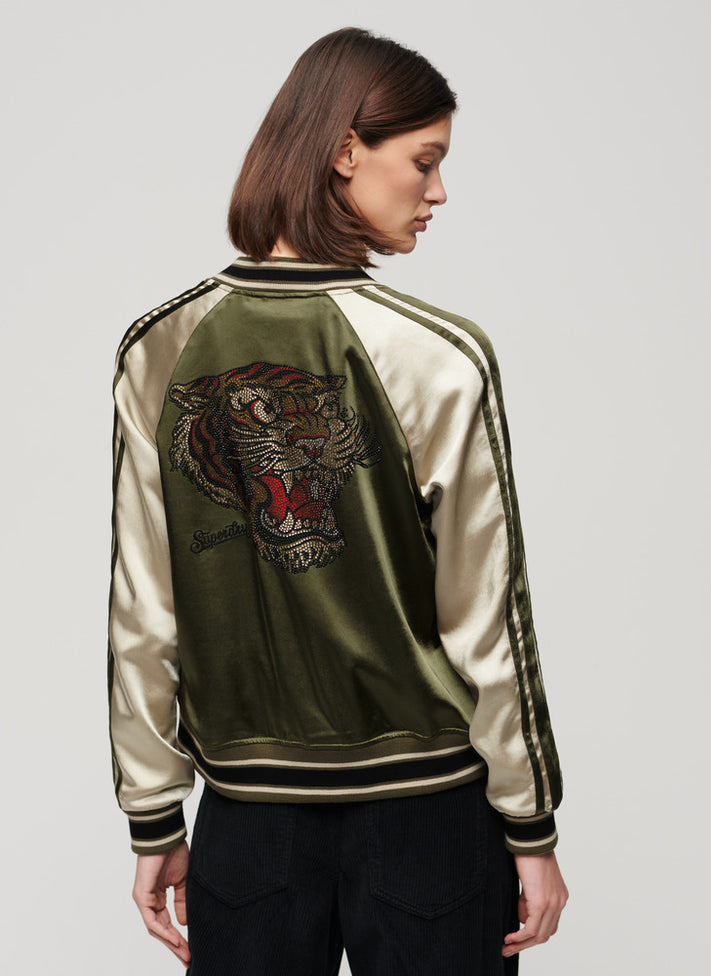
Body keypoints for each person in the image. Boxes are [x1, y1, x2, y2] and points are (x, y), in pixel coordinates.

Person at [108, 26, 568, 975]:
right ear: (347, 151)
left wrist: (154, 812)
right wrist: (531, 824)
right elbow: (487, 616)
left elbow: (142, 606)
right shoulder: (437, 355)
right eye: (426, 161)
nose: (439, 193)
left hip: (248, 823)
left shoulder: (160, 345)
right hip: (429, 817)